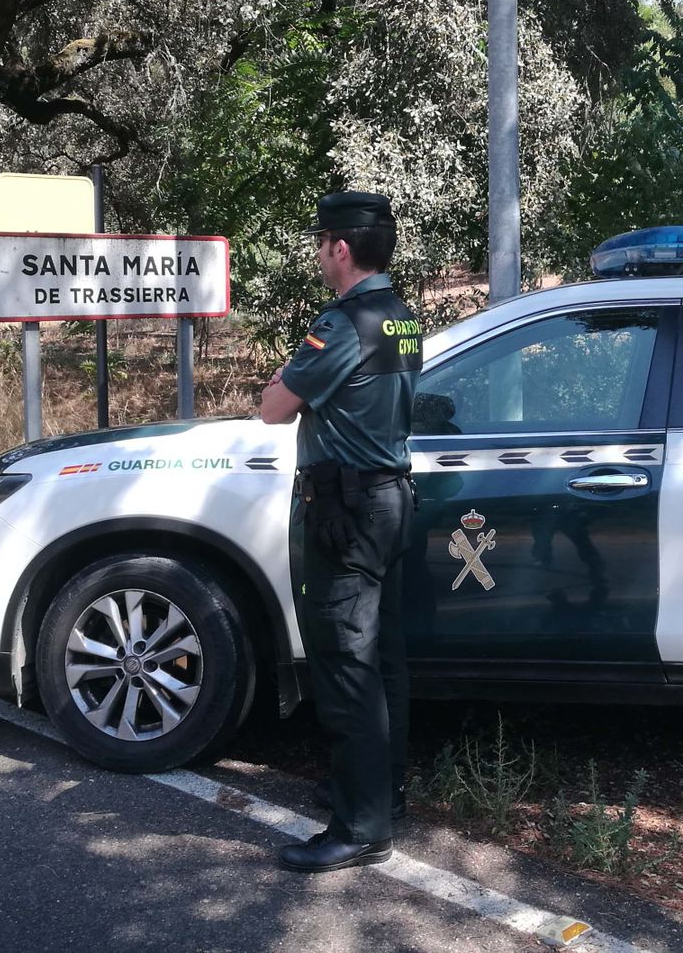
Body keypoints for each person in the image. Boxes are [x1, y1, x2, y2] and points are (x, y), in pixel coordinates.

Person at [260, 191, 421, 874]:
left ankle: (360, 828)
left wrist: (285, 378)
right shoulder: (402, 317)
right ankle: (383, 794)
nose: (319, 254)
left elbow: (273, 407)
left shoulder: (345, 323)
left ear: (342, 248)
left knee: (346, 667)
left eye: (321, 243)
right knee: (382, 661)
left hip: (345, 514)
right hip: (389, 502)